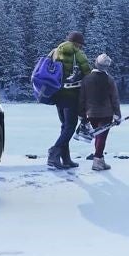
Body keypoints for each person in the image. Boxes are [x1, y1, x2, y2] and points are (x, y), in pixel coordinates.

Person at [47, 31, 91, 170]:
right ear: (77, 43)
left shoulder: (55, 51)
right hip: (71, 95)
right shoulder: (78, 54)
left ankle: (65, 159)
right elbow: (88, 74)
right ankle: (54, 153)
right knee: (70, 126)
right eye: (81, 44)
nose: (81, 47)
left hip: (57, 94)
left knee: (65, 126)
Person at [79, 54, 121, 171]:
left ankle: (100, 160)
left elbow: (82, 98)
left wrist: (82, 115)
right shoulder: (109, 79)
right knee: (101, 137)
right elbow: (115, 99)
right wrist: (117, 114)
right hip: (106, 113)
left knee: (99, 136)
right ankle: (97, 160)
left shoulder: (87, 79)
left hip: (91, 113)